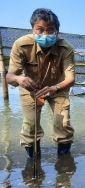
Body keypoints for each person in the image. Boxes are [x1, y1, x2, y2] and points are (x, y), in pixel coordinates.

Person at [6, 8, 75, 158]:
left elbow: (70, 79)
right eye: (40, 29)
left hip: (58, 87)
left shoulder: (66, 48)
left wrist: (54, 88)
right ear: (32, 29)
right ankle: (34, 165)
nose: (45, 34)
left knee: (63, 125)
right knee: (31, 126)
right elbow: (9, 76)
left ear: (57, 31)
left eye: (50, 30)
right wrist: (20, 79)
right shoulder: (21, 45)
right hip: (31, 88)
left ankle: (63, 166)